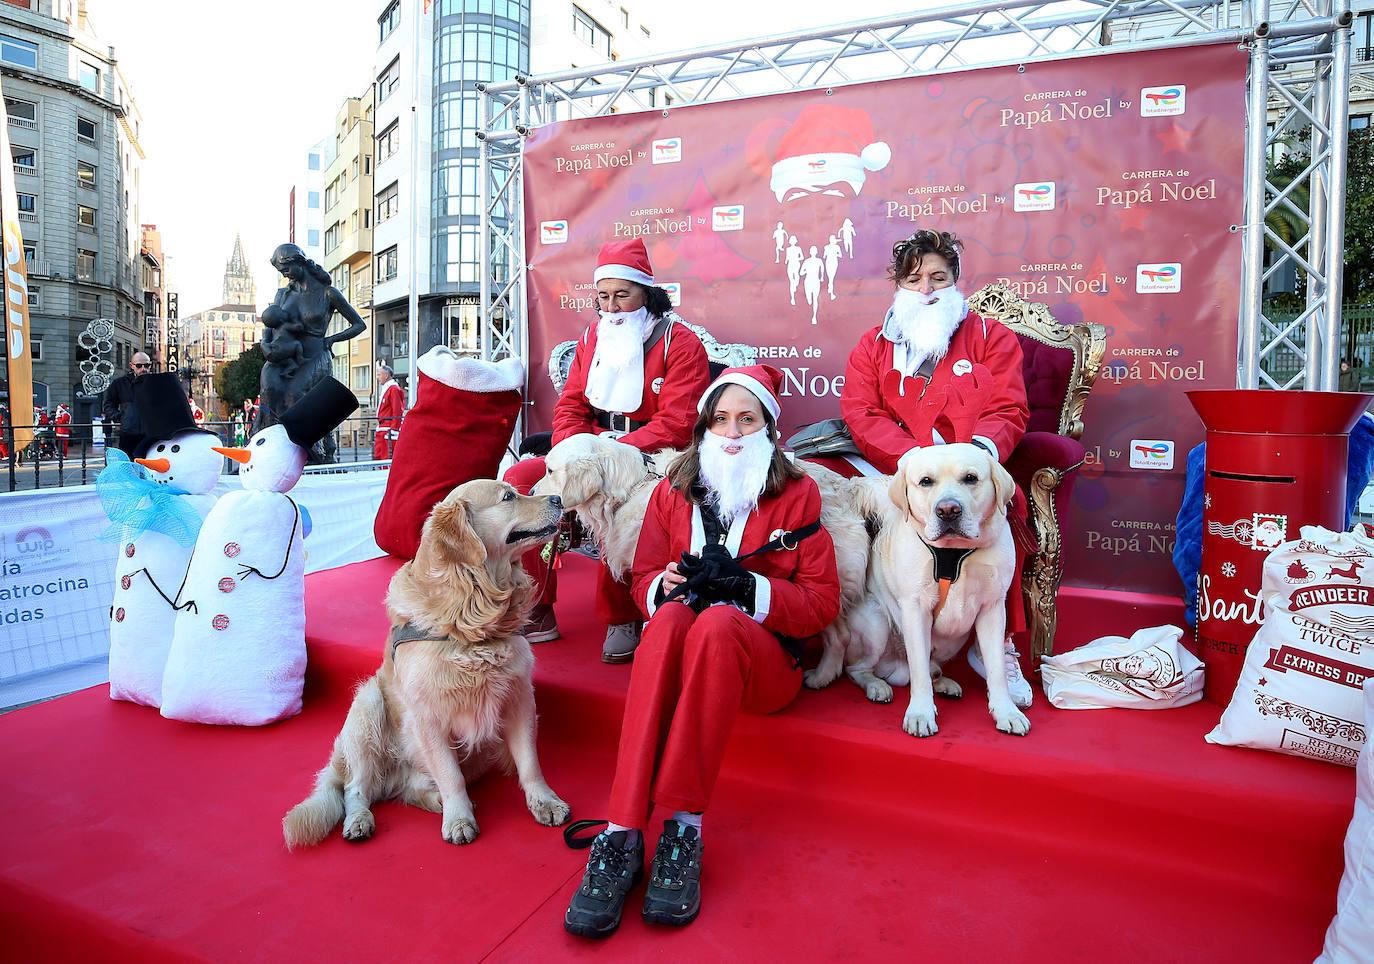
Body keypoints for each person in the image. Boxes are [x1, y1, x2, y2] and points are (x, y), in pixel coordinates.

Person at [563, 365, 840, 938]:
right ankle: (623, 830)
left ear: (769, 427)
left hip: (764, 665)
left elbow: (820, 605)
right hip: (684, 647)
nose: (733, 433)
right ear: (703, 429)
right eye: (721, 420)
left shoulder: (797, 492)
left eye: (747, 419)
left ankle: (684, 826)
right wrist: (656, 589)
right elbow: (640, 575)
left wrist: (749, 589)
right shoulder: (672, 490)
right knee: (666, 621)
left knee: (716, 623)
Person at [829, 228, 1034, 707]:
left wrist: (975, 459)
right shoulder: (872, 346)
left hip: (970, 465)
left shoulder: (991, 337)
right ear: (899, 286)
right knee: (833, 500)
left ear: (956, 281)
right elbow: (860, 413)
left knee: (1006, 506)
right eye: (914, 279)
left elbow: (1008, 408)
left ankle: (1000, 648)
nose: (926, 291)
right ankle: (844, 626)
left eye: (938, 279)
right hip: (895, 467)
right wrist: (907, 463)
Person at [504, 238, 710, 663]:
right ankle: (538, 605)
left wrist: (608, 455)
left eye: (622, 295)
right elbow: (570, 406)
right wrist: (572, 449)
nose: (612, 307)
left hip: (649, 453)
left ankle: (623, 614)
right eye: (604, 297)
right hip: (588, 446)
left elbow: (678, 422)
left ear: (647, 294)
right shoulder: (592, 337)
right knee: (522, 482)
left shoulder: (680, 342)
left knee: (619, 495)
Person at [258, 243, 367, 462]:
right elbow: (270, 325)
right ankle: (268, 447)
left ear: (298, 262)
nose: (285, 275)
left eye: (286, 270)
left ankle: (308, 451)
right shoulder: (283, 294)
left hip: (316, 353)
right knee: (269, 384)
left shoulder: (328, 294)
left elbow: (359, 324)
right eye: (281, 273)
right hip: (284, 352)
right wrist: (265, 345)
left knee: (296, 393)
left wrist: (332, 339)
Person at [102, 351, 153, 456]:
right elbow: (108, 404)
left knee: (150, 467)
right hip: (128, 434)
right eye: (139, 366)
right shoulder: (119, 384)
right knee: (128, 466)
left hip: (151, 434)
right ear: (131, 366)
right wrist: (120, 417)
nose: (144, 369)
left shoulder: (156, 383)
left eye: (147, 365)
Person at [374, 362, 405, 459]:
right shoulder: (388, 388)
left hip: (387, 428)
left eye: (379, 375)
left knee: (385, 456)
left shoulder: (393, 389)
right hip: (384, 427)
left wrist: (394, 429)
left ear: (386, 375)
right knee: (379, 455)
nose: (377, 378)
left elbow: (397, 410)